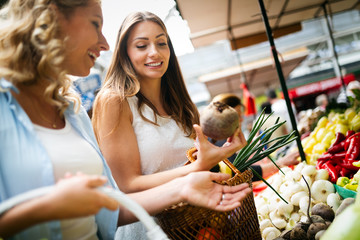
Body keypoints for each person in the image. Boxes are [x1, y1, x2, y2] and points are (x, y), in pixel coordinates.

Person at [0, 1, 252, 239]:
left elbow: (111, 206)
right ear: (52, 17)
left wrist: (183, 187)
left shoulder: (71, 108)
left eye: (162, 43)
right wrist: (51, 206)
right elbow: (125, 187)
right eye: (95, 24)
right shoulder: (6, 104)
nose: (105, 43)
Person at [91, 11, 248, 240]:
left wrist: (222, 150)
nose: (155, 52)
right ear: (125, 52)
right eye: (142, 45)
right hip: (150, 231)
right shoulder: (115, 100)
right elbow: (128, 185)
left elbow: (196, 162)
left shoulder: (182, 104)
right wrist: (195, 168)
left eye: (161, 43)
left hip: (199, 227)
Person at [210, 93, 300, 180]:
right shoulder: (218, 141)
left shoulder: (224, 138)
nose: (241, 119)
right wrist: (280, 163)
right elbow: (239, 171)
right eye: (237, 115)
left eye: (241, 115)